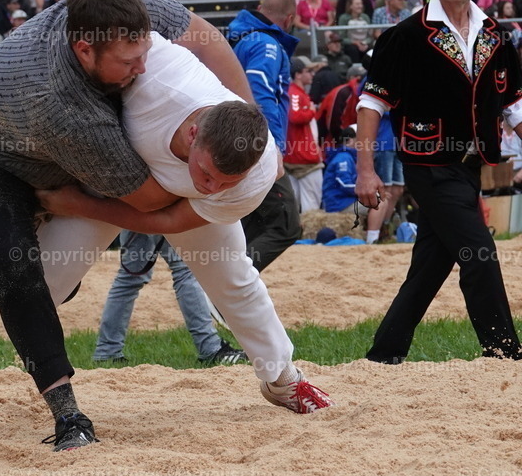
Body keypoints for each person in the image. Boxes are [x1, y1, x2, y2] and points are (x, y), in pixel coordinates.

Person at [0, 0, 293, 450]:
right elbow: (147, 203)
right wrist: (72, 205)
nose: (142, 67)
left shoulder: (129, 9)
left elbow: (208, 40)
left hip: (78, 158)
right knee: (17, 280)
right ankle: (64, 408)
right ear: (85, 50)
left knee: (226, 265)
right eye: (128, 61)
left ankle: (285, 377)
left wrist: (250, 120)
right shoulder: (66, 107)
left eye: (144, 52)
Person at [32, 33, 333, 415]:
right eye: (208, 174)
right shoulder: (159, 72)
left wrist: (80, 205)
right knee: (36, 288)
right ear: (193, 134)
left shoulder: (255, 177)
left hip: (153, 198)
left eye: (226, 182)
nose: (212, 188)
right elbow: (176, 34)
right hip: (117, 169)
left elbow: (169, 220)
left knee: (235, 280)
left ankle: (283, 378)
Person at [356, 0, 522, 364]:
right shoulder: (404, 37)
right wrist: (366, 171)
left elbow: (513, 105)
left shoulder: (496, 35)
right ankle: (505, 353)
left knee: (430, 265)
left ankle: (384, 354)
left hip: (472, 167)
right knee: (480, 254)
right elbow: (371, 105)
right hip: (428, 164)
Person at [227, 0, 303, 270]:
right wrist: (271, 145)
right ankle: (232, 284)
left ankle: (226, 286)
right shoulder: (267, 44)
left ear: (261, 8)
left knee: (251, 224)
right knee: (286, 226)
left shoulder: (239, 39)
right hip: (256, 144)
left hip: (234, 140)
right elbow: (260, 94)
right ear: (290, 19)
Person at [92, 230, 247, 366]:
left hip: (132, 208)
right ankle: (210, 348)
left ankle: (107, 351)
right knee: (185, 267)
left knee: (130, 276)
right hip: (155, 207)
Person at [284, 57, 323, 212]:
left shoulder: (298, 92)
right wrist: (311, 111)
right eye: (308, 71)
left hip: (298, 154)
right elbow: (294, 116)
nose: (312, 74)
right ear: (298, 74)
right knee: (311, 205)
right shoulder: (294, 92)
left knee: (296, 204)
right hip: (304, 156)